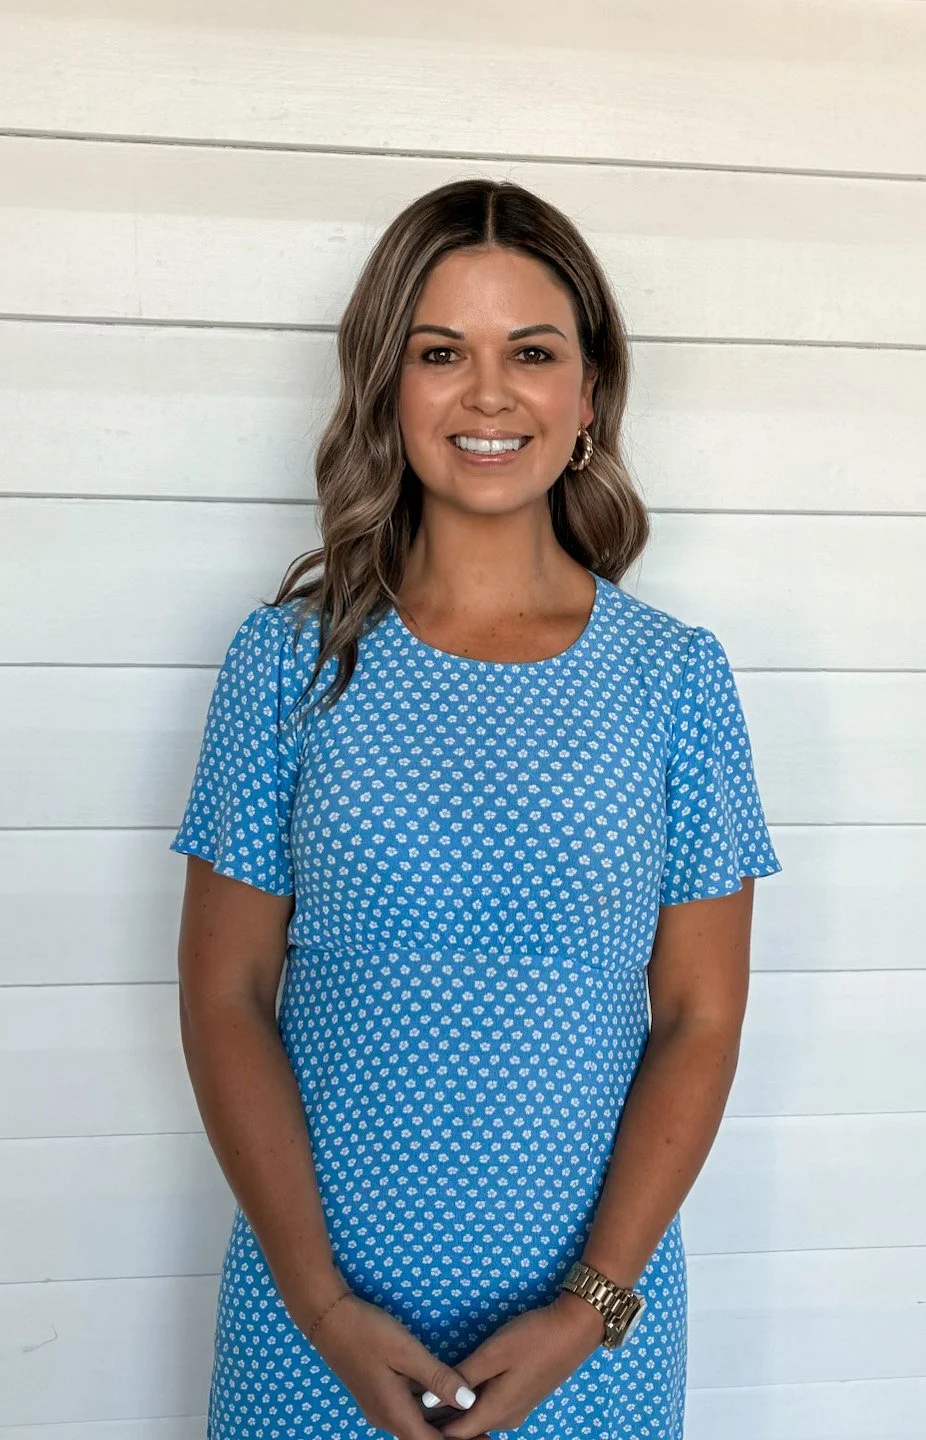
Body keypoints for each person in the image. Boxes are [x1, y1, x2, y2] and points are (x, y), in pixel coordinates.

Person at [170, 177, 782, 1440]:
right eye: (440, 352)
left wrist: (589, 1305)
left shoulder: (676, 680)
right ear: (386, 386)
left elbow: (699, 1014)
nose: (489, 393)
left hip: (587, 1332)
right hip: (316, 1323)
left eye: (532, 353)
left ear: (588, 393)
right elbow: (225, 993)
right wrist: (323, 1306)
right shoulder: (286, 663)